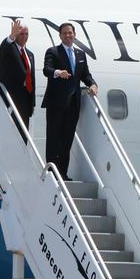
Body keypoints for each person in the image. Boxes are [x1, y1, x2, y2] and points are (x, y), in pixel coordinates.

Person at [42, 22, 98, 180]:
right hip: (56, 103)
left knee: (67, 139)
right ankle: (52, 173)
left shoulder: (80, 54)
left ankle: (63, 173)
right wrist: (58, 73)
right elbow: (47, 70)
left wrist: (93, 84)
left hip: (74, 103)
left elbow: (85, 75)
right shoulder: (53, 52)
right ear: (60, 36)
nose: (68, 35)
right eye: (64, 33)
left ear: (74, 34)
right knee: (54, 137)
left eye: (70, 33)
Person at [0, 18, 37, 128]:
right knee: (9, 132)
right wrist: (11, 36)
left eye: (26, 34)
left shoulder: (30, 54)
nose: (24, 36)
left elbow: (32, 79)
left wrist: (32, 103)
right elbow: (5, 46)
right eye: (21, 33)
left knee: (23, 134)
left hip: (25, 99)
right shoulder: (10, 48)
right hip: (11, 97)